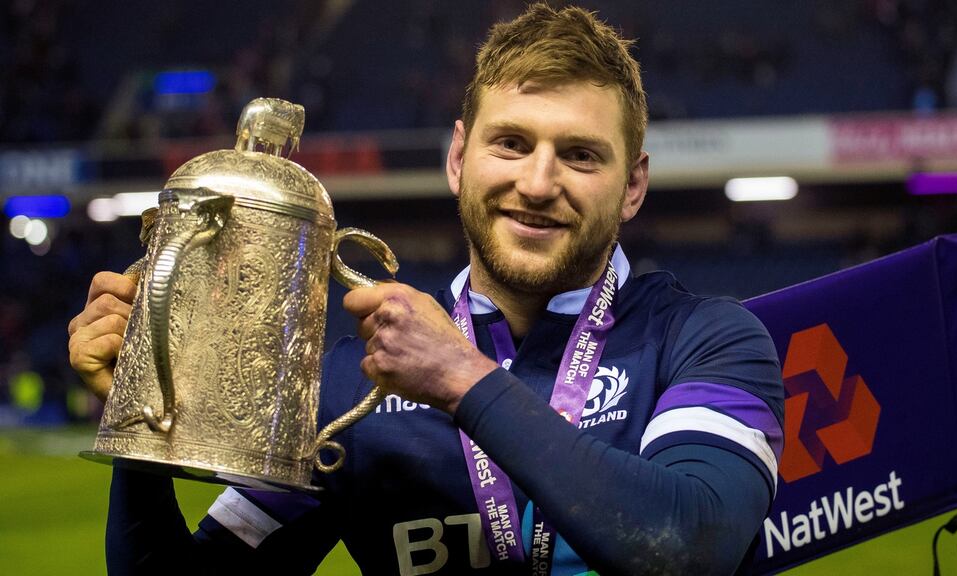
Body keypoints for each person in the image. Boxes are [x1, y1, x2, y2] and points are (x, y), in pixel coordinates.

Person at [68, 4, 783, 575]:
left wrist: (462, 379)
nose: (537, 183)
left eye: (580, 155)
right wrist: (142, 419)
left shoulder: (708, 341)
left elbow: (688, 547)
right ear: (457, 157)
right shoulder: (348, 391)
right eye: (511, 144)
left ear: (633, 186)